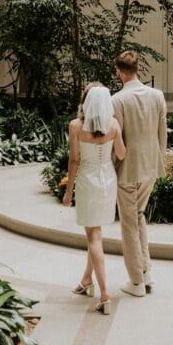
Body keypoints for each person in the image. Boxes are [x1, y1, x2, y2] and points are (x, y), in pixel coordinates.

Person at [62, 82, 125, 314]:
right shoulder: (114, 124)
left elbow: (74, 161)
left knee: (94, 236)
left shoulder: (76, 126)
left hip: (88, 182)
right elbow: (121, 154)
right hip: (108, 181)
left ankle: (105, 295)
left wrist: (68, 192)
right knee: (95, 233)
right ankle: (86, 281)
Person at [111, 50, 167, 297]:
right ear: (138, 69)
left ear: (119, 72)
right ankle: (146, 272)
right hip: (151, 167)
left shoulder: (118, 100)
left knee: (129, 224)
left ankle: (136, 282)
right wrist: (159, 160)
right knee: (139, 216)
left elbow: (117, 141)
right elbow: (162, 134)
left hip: (129, 170)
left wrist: (111, 168)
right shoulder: (157, 95)